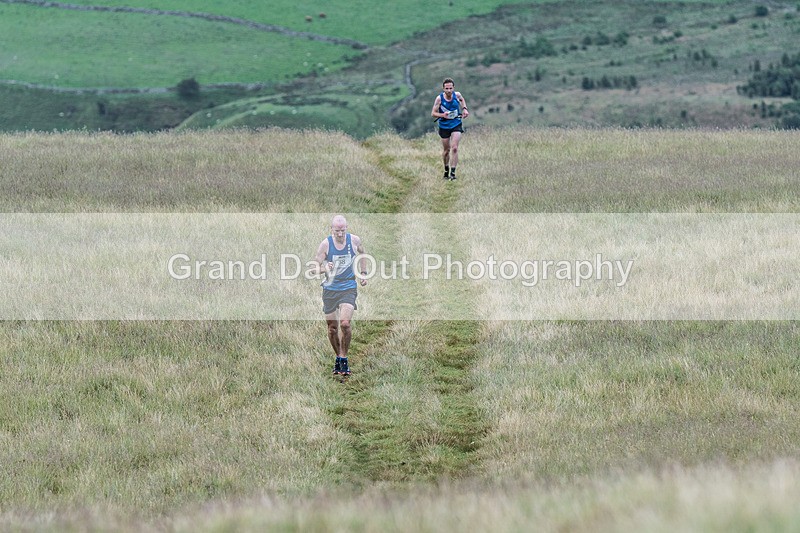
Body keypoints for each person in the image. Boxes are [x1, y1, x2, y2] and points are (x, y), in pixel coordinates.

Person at [313, 215, 367, 376]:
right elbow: (314, 268)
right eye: (337, 231)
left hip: (349, 286)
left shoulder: (354, 240)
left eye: (343, 230)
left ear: (346, 228)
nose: (340, 234)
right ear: (332, 229)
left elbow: (363, 254)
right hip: (330, 289)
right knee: (332, 328)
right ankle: (338, 357)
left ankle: (344, 358)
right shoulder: (326, 244)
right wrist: (325, 268)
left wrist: (363, 273)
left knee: (344, 323)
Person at [431, 77, 470, 181]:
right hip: (444, 126)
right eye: (446, 88)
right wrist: (443, 115)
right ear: (443, 89)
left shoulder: (457, 95)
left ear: (453, 88)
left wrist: (465, 109)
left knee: (455, 148)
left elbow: (462, 100)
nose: (449, 91)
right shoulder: (439, 99)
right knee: (446, 150)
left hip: (456, 123)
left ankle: (453, 174)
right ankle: (446, 169)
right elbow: (433, 114)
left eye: (450, 88)